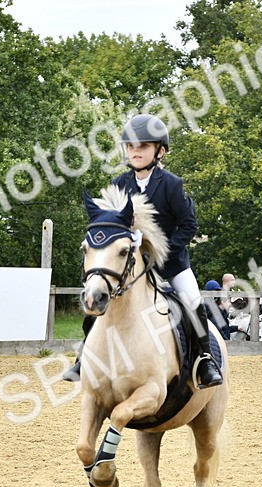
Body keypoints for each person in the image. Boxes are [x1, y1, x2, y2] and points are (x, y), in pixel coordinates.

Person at [63, 113, 223, 389]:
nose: (135, 152)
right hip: (129, 266)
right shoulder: (119, 184)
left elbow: (189, 225)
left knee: (193, 300)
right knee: (98, 297)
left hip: (170, 263)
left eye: (143, 146)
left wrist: (162, 253)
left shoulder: (172, 184)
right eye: (131, 147)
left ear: (160, 151)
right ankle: (83, 358)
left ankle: (205, 359)